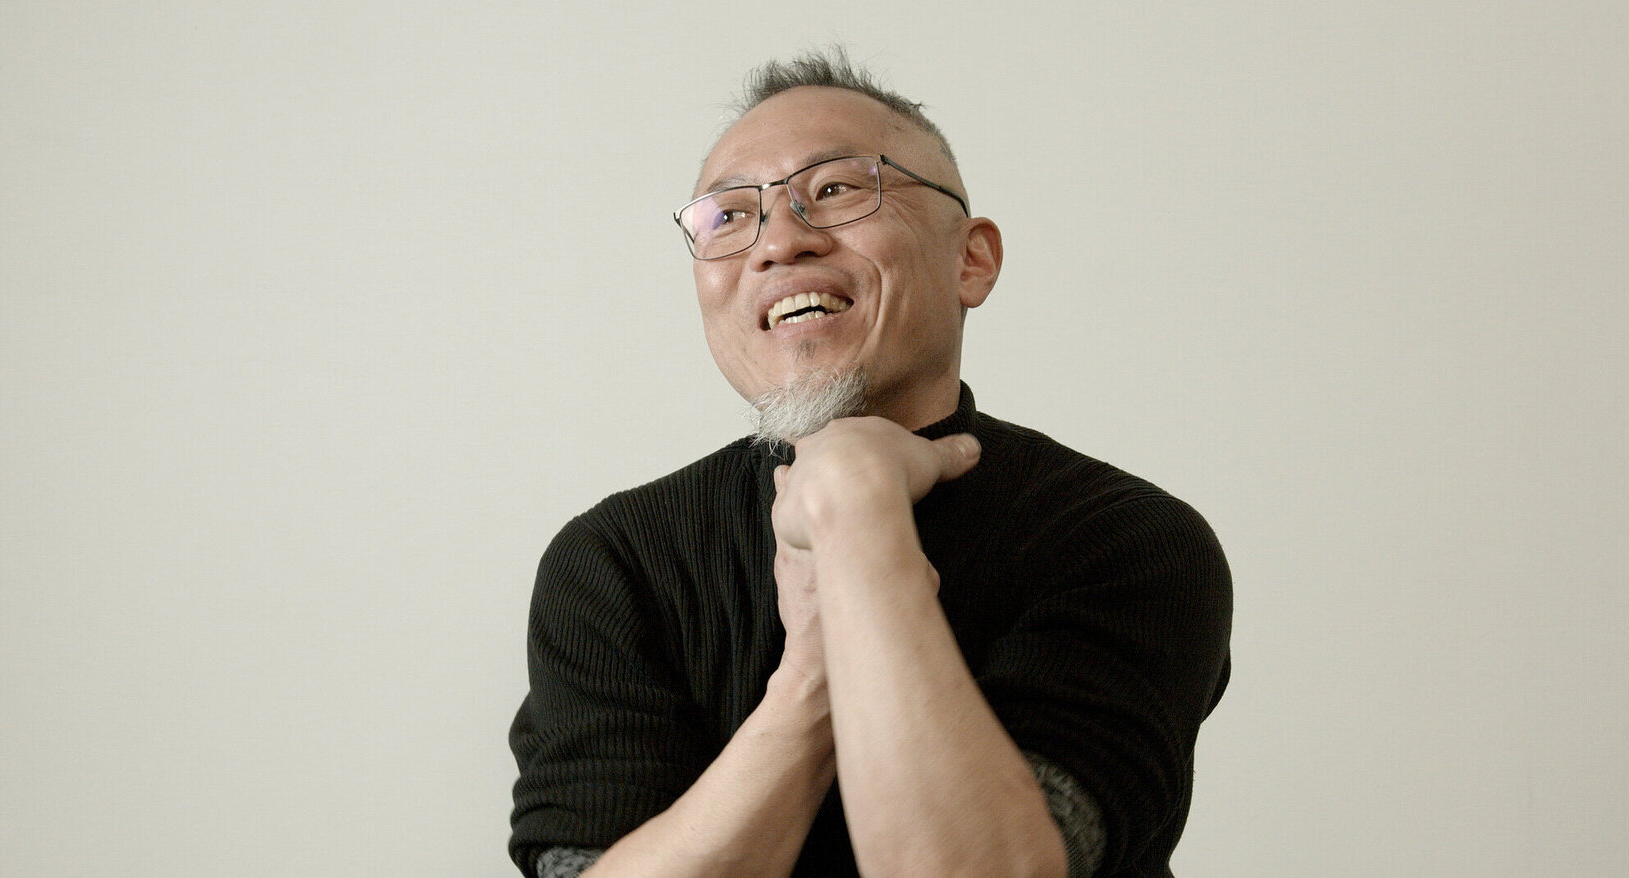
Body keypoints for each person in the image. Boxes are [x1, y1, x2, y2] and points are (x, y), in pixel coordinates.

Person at [509, 50, 1231, 878]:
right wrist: (812, 677)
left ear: (973, 259)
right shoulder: (617, 559)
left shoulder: (1126, 540)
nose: (778, 242)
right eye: (729, 216)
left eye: (838, 189)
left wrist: (854, 511)